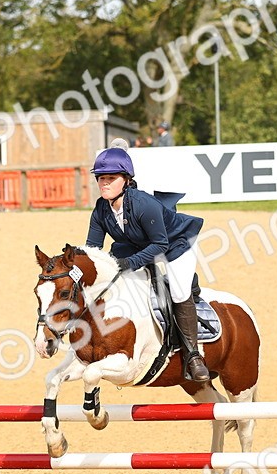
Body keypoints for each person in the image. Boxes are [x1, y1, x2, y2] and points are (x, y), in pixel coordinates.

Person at [85, 145, 209, 381]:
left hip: (175, 244)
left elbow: (160, 245)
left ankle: (193, 356)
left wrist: (129, 262)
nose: (104, 183)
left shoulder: (143, 204)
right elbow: (93, 248)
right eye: (100, 178)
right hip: (137, 244)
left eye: (111, 178)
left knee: (179, 291)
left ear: (126, 180)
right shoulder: (102, 208)